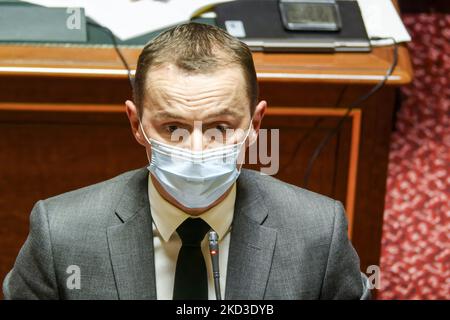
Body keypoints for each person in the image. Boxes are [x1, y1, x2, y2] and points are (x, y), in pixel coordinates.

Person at [3, 22, 370, 300]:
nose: (196, 150)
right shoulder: (61, 234)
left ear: (255, 125)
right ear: (136, 124)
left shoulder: (319, 233)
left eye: (219, 127)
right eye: (173, 127)